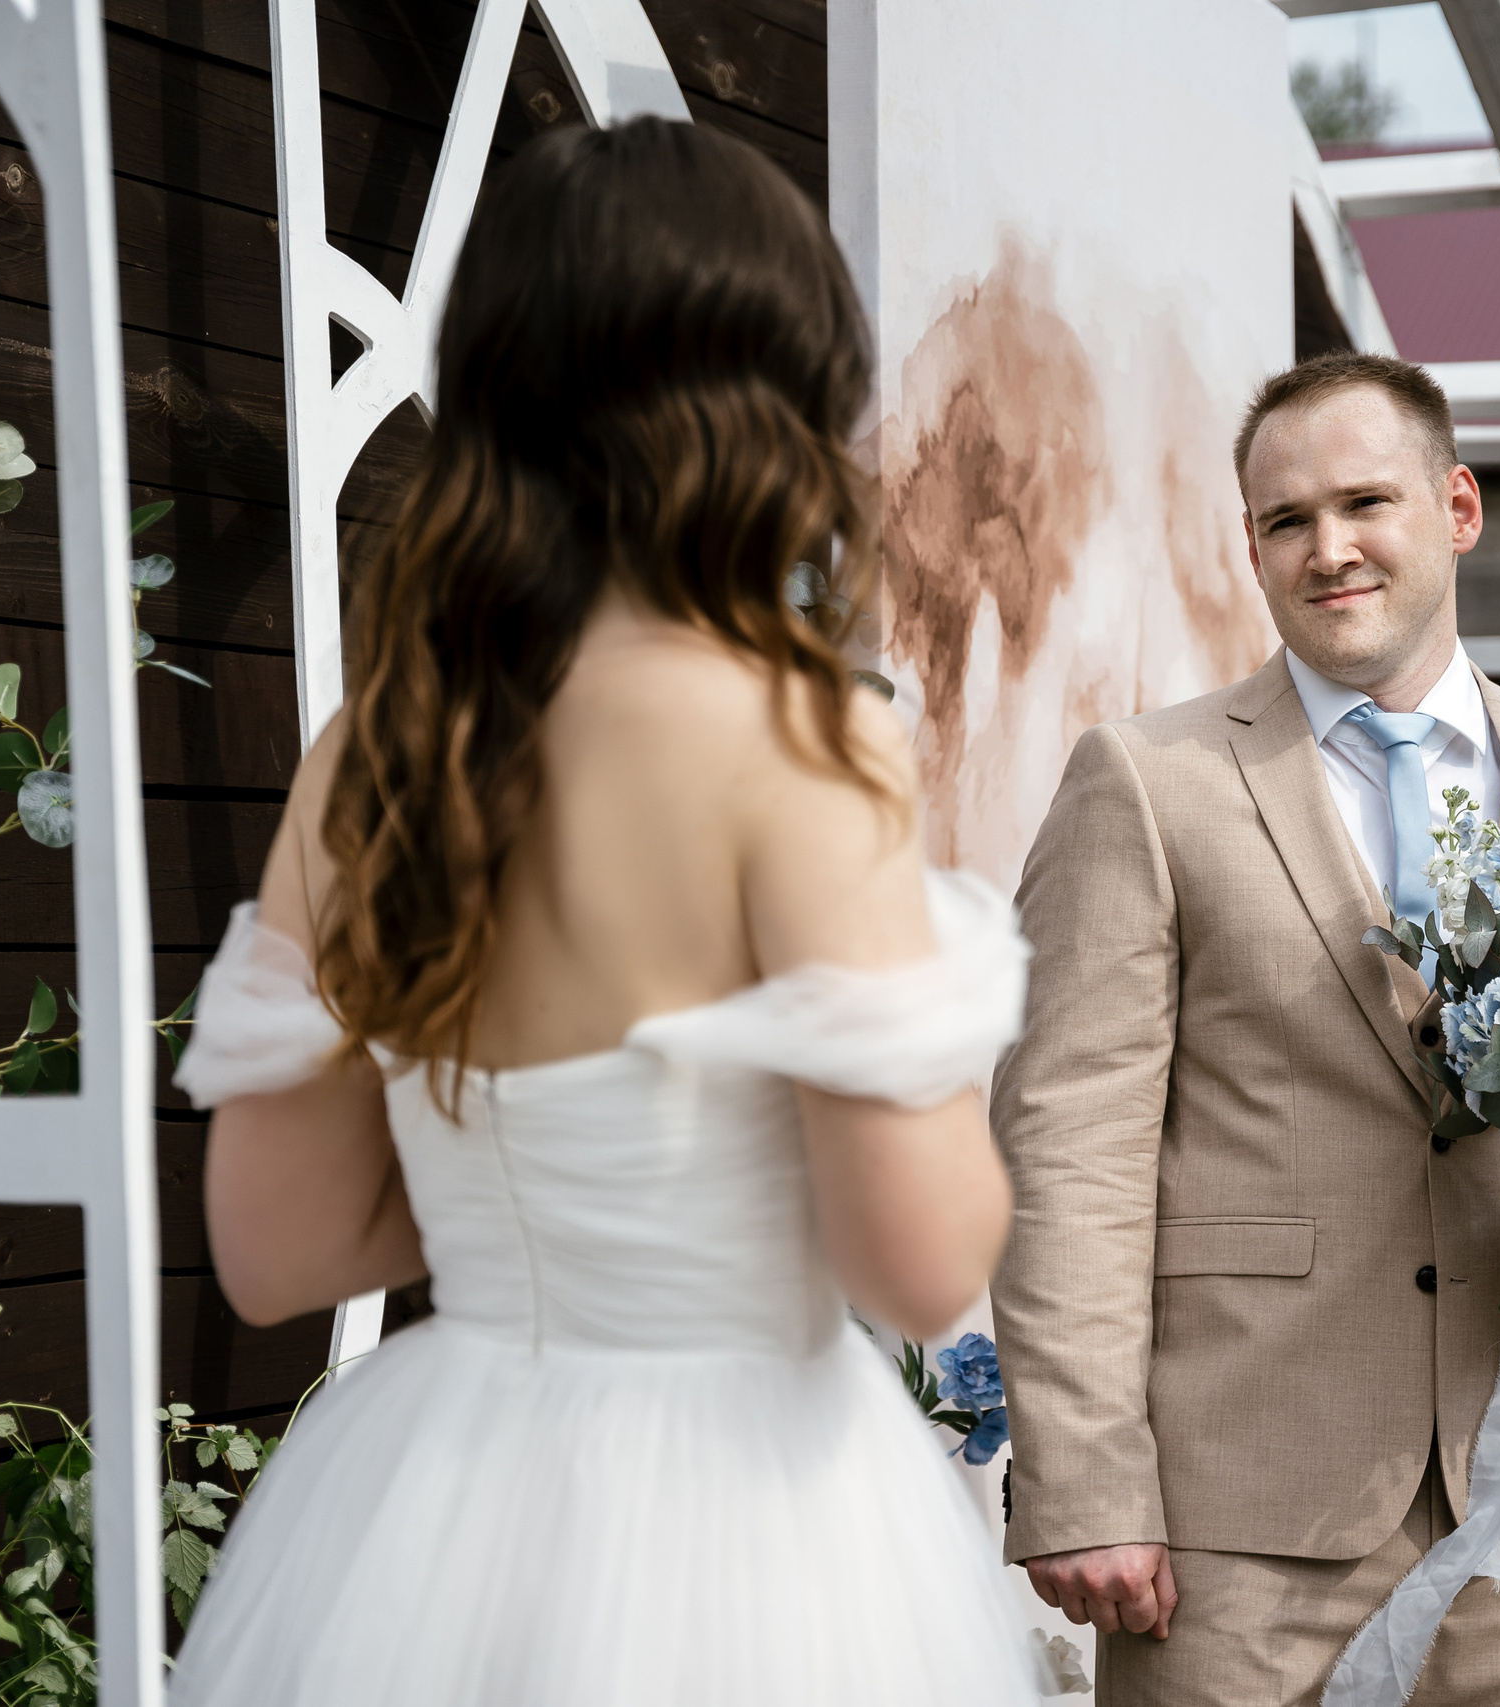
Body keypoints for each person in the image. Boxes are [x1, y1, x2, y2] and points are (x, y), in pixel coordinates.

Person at [166, 119, 1038, 1707]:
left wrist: (521, 1183)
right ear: (781, 402)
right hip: (756, 1531)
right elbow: (917, 1257)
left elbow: (277, 1247)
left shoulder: (377, 753)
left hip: (428, 1522)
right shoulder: (800, 738)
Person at [989, 352, 1500, 1706]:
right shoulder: (1149, 783)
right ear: (1252, 547)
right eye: (1285, 521)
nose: (1329, 549)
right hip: (1232, 1520)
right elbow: (1067, 1147)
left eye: (1368, 503)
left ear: (1459, 508)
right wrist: (1082, 1474)